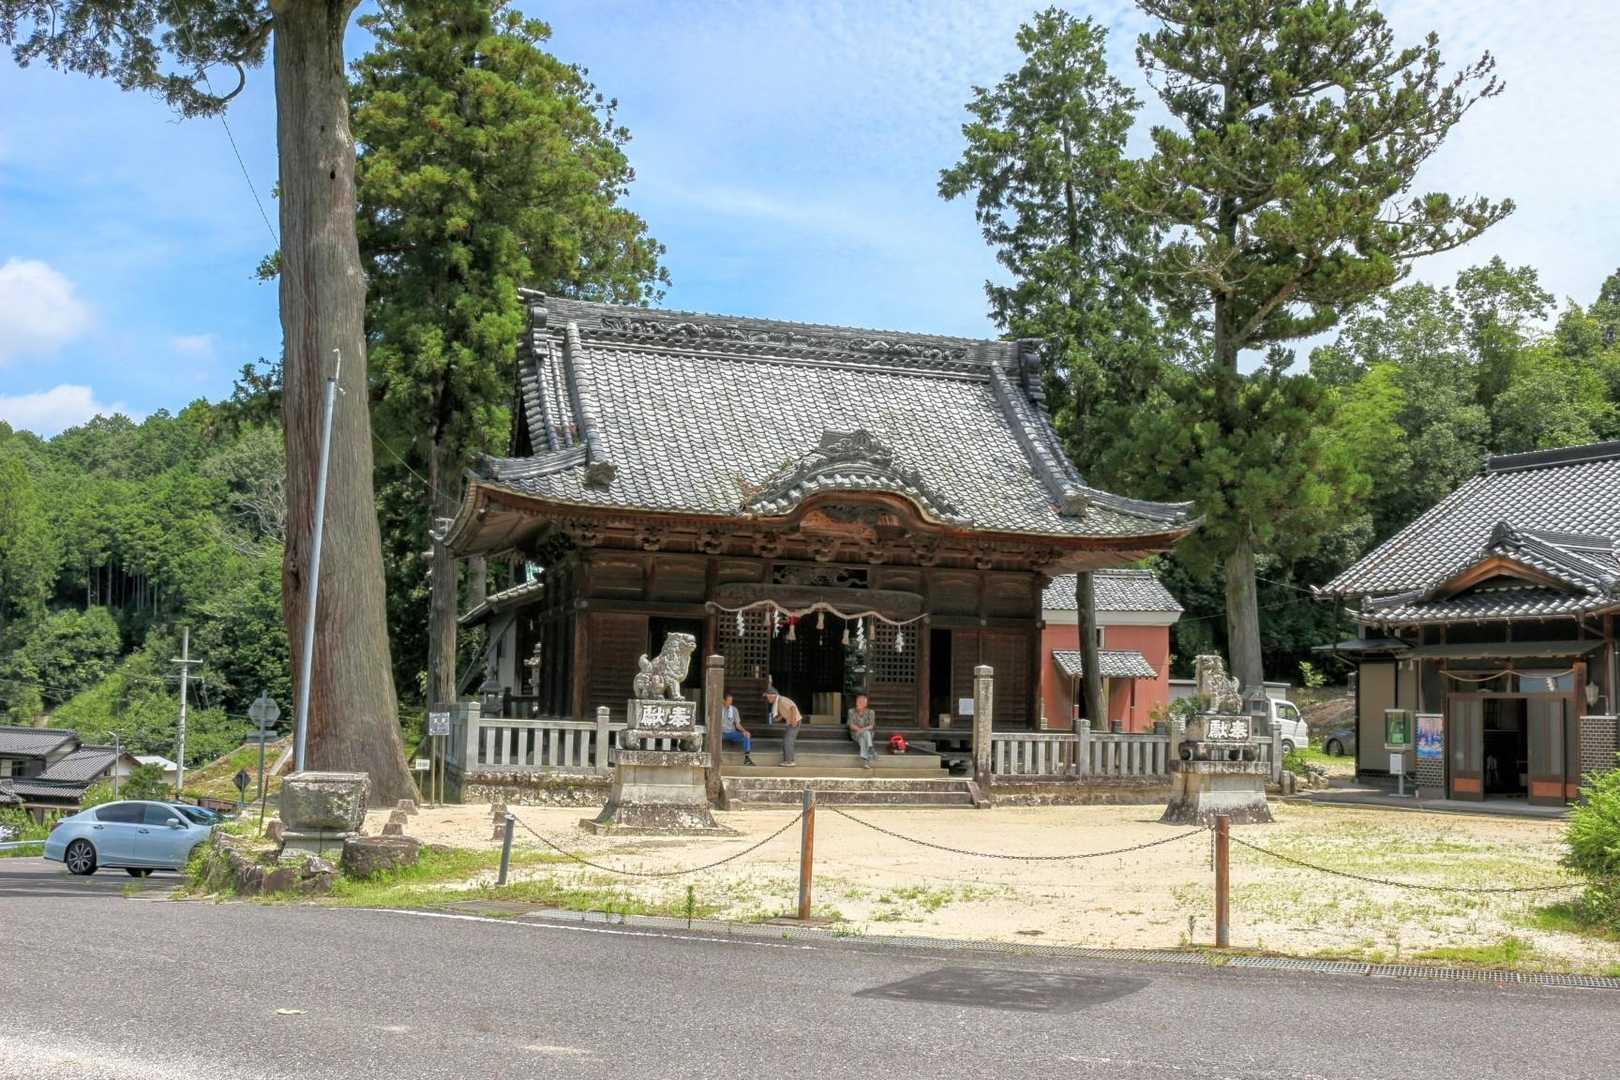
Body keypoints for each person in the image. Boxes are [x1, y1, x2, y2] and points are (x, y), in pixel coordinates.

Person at [764, 686, 801, 766]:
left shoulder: (782, 700)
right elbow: (783, 711)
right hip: (790, 722)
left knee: (788, 741)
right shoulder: (778, 702)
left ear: (771, 696)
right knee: (787, 741)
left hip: (794, 721)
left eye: (767, 697)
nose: (767, 699)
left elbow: (793, 708)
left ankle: (789, 762)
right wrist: (778, 719)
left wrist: (793, 720)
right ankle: (789, 761)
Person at [719, 692, 755, 766]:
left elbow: (737, 725)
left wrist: (745, 731)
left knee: (746, 735)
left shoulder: (734, 710)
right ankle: (717, 758)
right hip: (721, 733)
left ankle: (747, 759)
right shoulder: (719, 709)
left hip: (732, 733)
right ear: (723, 700)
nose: (730, 702)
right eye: (728, 700)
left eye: (731, 701)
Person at [847, 692, 876, 768]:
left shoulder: (871, 712)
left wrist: (862, 730)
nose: (857, 703)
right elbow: (851, 725)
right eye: (857, 701)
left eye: (860, 702)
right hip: (855, 733)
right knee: (864, 735)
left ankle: (865, 759)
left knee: (864, 737)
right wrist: (859, 730)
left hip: (867, 733)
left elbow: (871, 726)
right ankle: (870, 748)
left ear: (865, 704)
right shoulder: (851, 711)